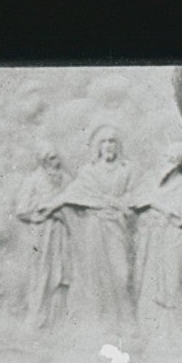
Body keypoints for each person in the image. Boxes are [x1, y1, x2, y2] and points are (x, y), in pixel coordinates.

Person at [55, 125, 136, 331]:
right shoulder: (89, 172)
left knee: (122, 274)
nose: (108, 146)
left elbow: (133, 196)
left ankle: (125, 320)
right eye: (104, 141)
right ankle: (102, 322)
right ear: (97, 147)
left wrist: (119, 204)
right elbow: (72, 195)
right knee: (97, 275)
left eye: (112, 141)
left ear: (118, 146)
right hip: (95, 227)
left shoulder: (126, 170)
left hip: (117, 226)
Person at [132, 146, 182, 329]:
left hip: (174, 238)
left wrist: (168, 213)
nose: (167, 163)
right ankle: (149, 325)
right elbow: (137, 202)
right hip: (152, 239)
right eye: (166, 157)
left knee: (172, 282)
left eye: (172, 159)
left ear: (178, 163)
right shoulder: (153, 184)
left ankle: (175, 327)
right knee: (150, 282)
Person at [14, 149, 71, 329]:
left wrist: (63, 213)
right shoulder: (33, 180)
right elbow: (22, 210)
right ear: (43, 161)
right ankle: (38, 317)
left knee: (62, 273)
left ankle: (59, 320)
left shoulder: (66, 179)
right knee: (42, 273)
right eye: (51, 158)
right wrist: (43, 211)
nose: (56, 161)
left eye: (56, 156)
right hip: (42, 234)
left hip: (62, 232)